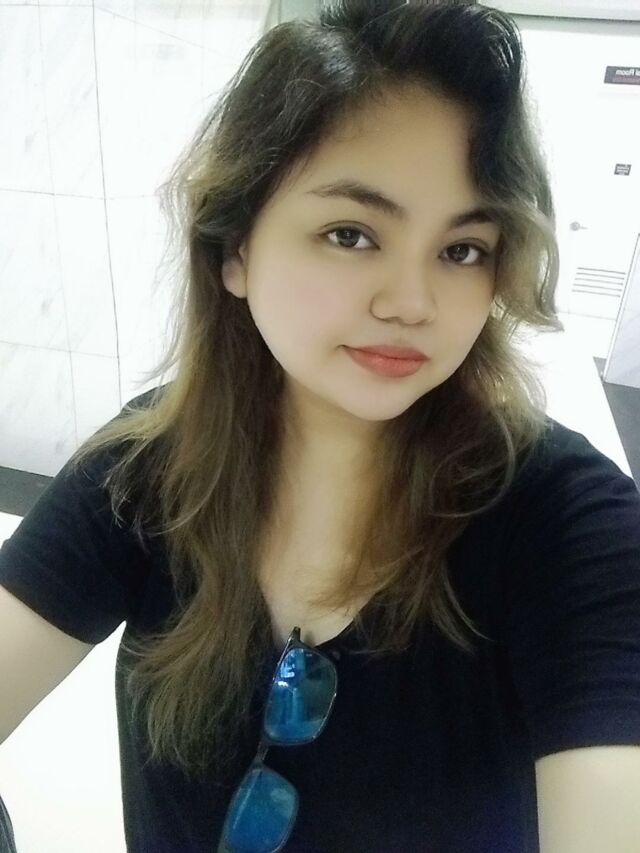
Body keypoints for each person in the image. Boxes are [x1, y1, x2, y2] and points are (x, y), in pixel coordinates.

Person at [1, 1, 639, 851]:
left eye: (462, 250)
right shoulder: (149, 468)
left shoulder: (568, 524)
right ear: (234, 249)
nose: (412, 303)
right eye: (351, 234)